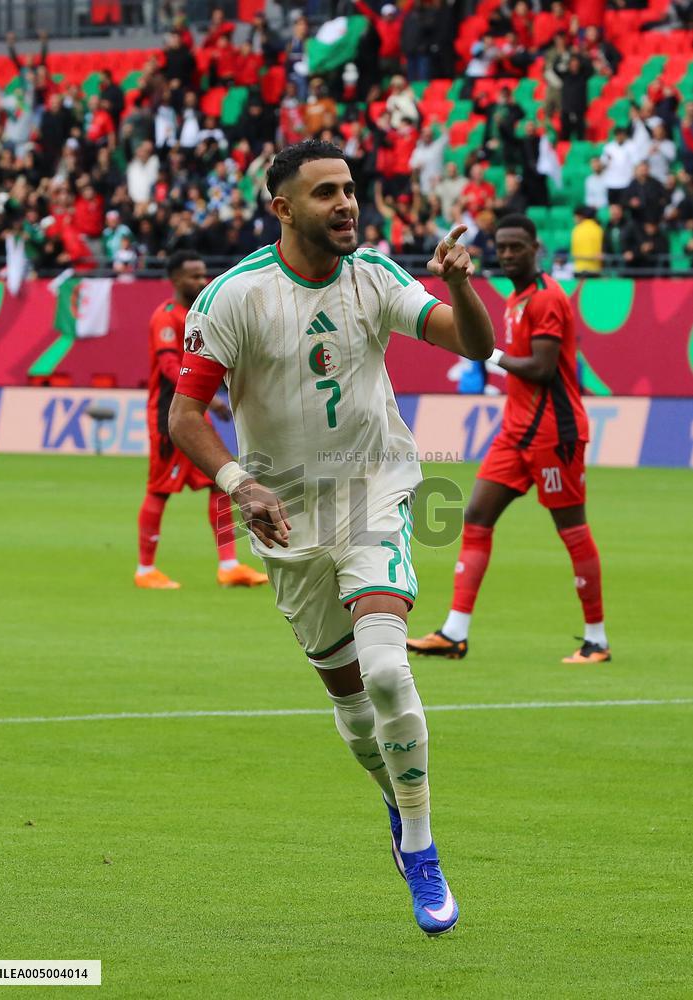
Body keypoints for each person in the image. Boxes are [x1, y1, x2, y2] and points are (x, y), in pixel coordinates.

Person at [169, 140, 494, 936]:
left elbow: (474, 345)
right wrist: (237, 484)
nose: (346, 204)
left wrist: (457, 283)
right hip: (284, 518)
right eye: (324, 193)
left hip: (372, 493)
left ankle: (420, 849)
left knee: (387, 669)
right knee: (352, 708)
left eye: (349, 189)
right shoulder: (230, 298)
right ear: (282, 208)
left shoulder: (374, 276)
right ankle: (396, 798)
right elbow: (184, 416)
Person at [408, 214, 611, 666]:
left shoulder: (548, 298)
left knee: (571, 529)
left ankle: (596, 639)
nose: (507, 254)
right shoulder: (516, 298)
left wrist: (490, 355)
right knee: (477, 515)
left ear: (536, 248)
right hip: (515, 431)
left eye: (517, 246)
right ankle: (454, 632)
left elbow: (541, 368)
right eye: (501, 247)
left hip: (553, 434)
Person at [135, 250, 268, 590]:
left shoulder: (199, 313)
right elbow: (169, 369)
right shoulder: (165, 318)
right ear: (176, 279)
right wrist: (207, 404)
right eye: (194, 275)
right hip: (172, 418)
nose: (201, 280)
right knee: (159, 490)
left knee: (221, 480)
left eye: (203, 273)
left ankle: (229, 565)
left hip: (194, 414)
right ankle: (145, 569)